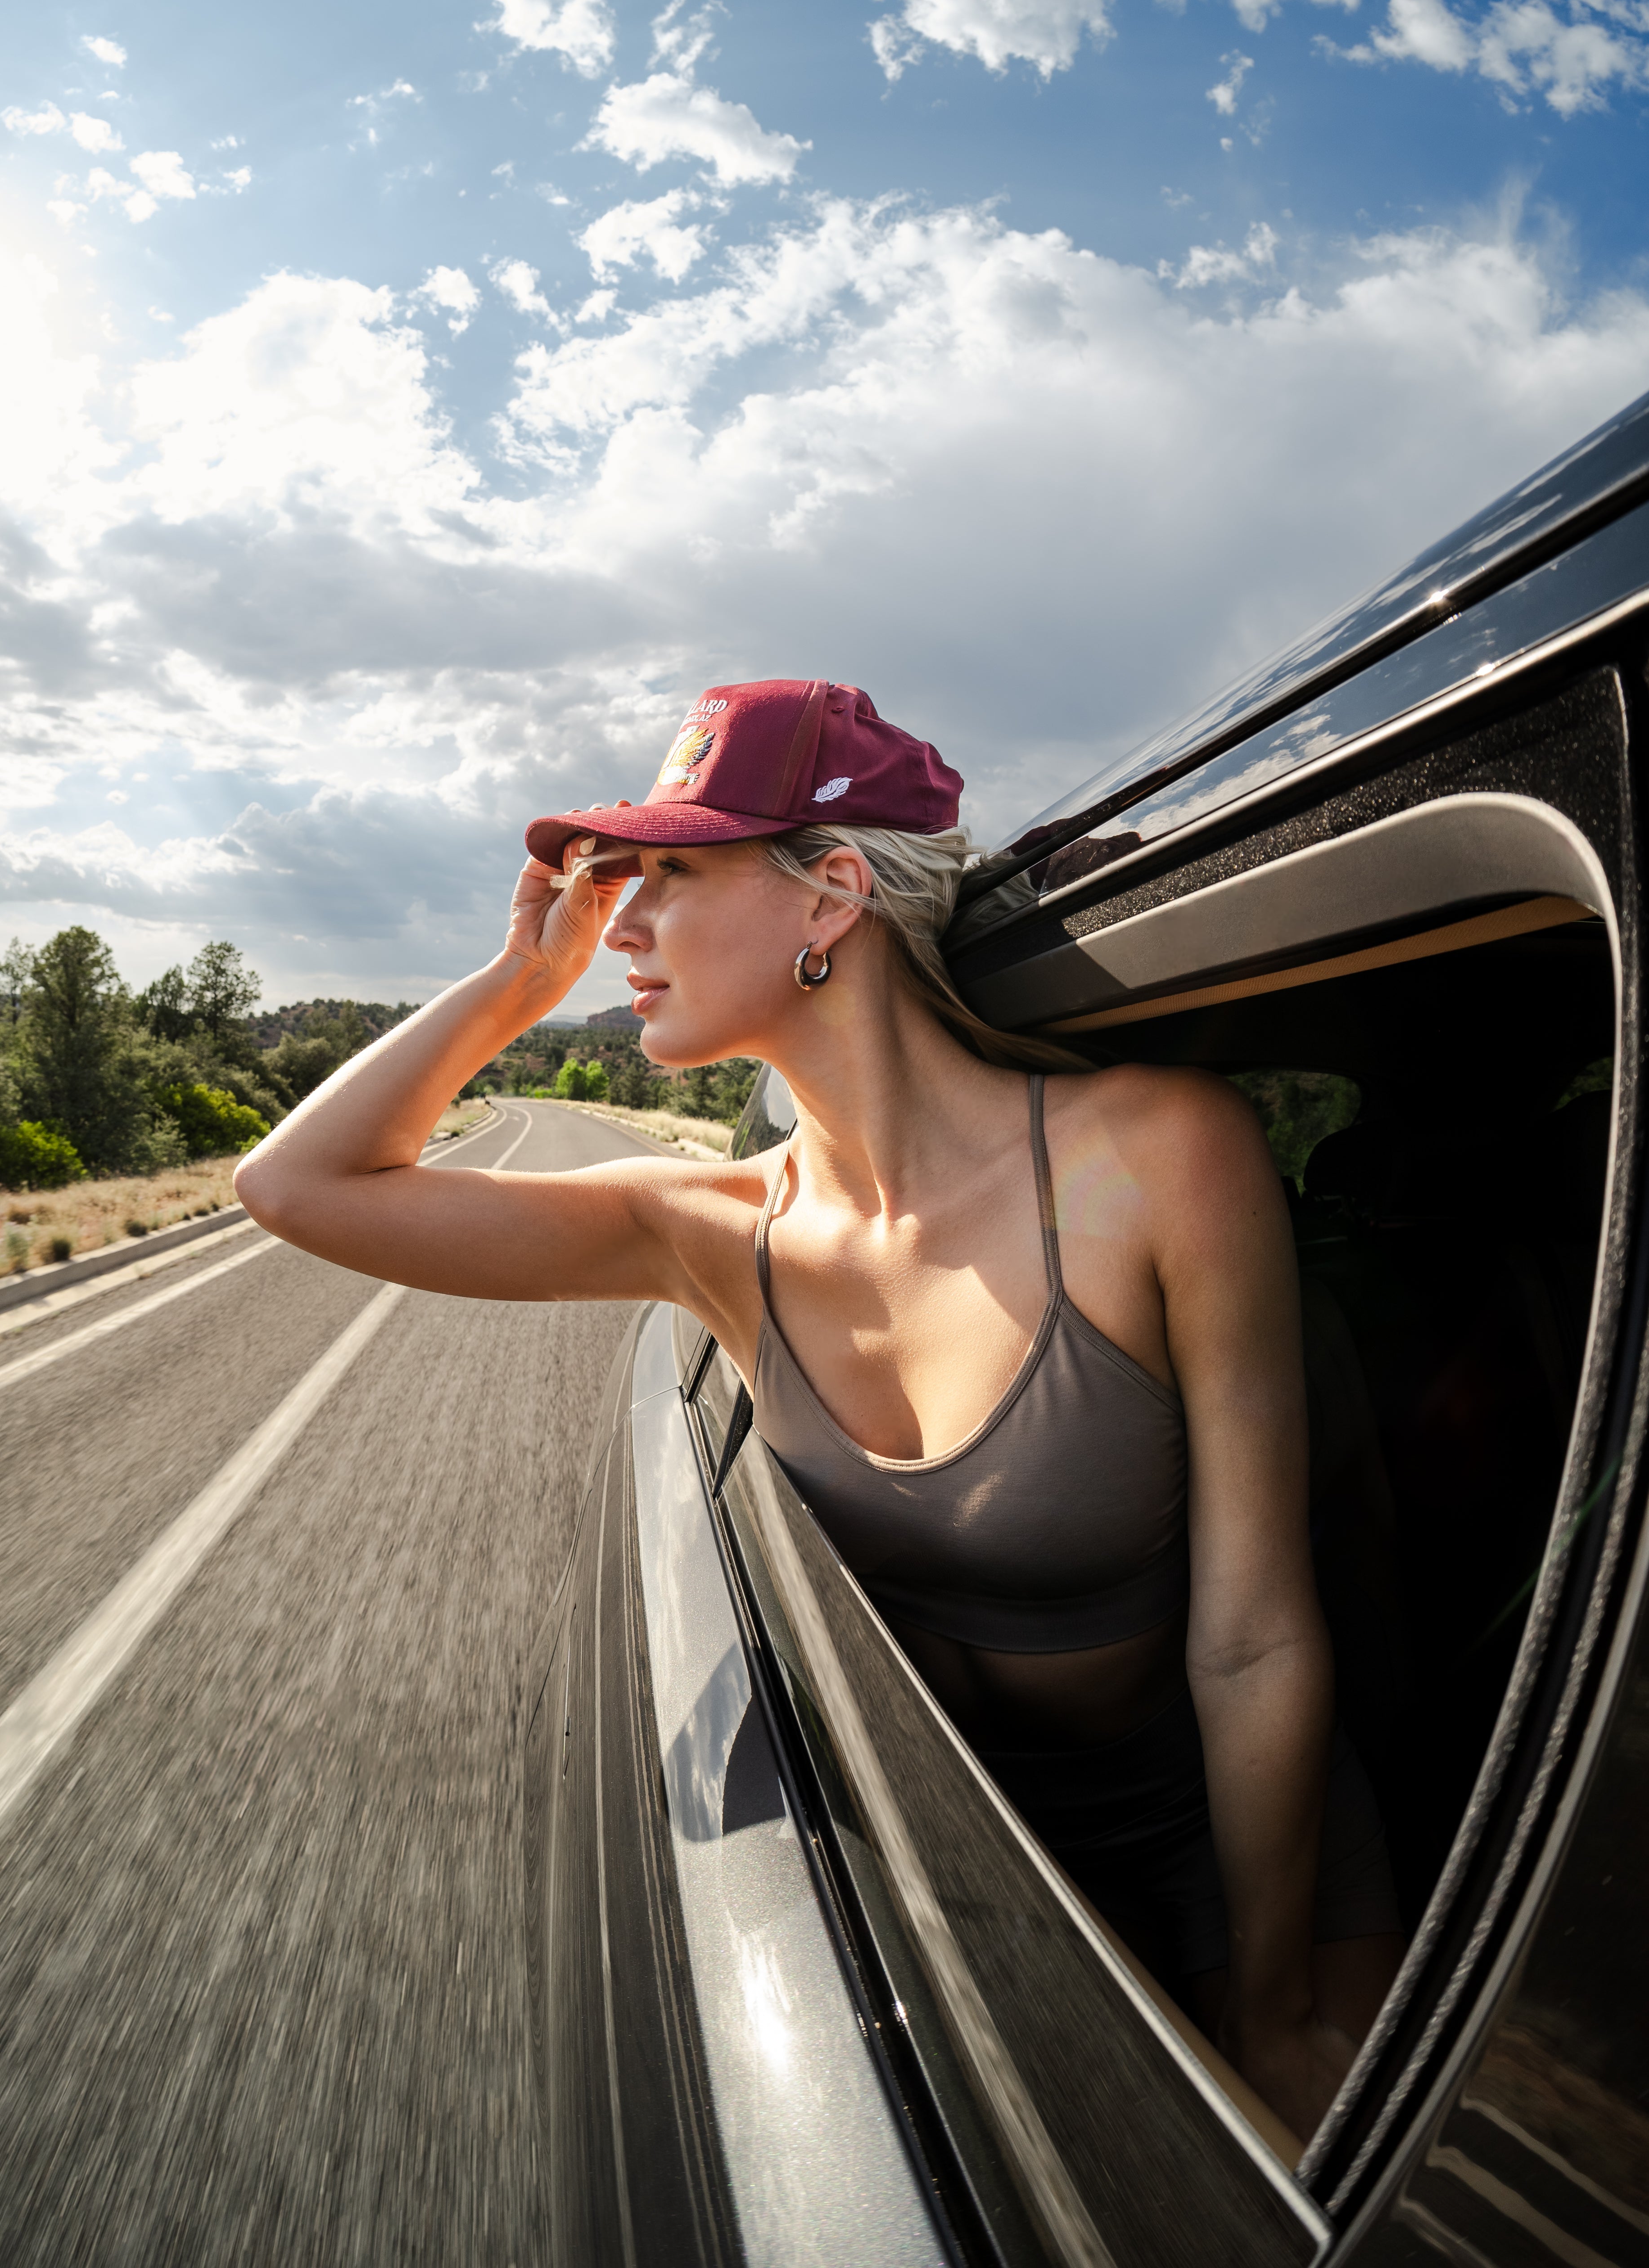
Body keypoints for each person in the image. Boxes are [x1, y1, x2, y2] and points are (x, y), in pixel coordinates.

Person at [235, 676, 1403, 2141]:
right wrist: (517, 989)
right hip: (959, 1864)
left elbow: (1252, 1638)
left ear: (831, 894)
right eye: (621, 885)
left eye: (670, 876)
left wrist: (1278, 2003)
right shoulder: (703, 1225)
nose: (624, 931)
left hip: (1240, 1847)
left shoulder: (1151, 1161)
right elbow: (295, 1189)